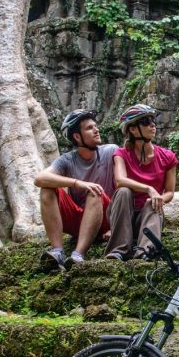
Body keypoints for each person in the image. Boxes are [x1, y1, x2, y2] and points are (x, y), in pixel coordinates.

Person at [33, 109, 117, 270]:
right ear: (77, 137)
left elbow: (125, 186)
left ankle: (78, 255)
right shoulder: (67, 160)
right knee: (47, 189)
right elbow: (40, 178)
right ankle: (57, 251)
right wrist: (77, 183)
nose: (96, 130)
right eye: (90, 128)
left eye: (95, 126)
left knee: (94, 192)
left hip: (107, 217)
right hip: (81, 220)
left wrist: (117, 228)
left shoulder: (111, 151)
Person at [104, 104, 178, 260]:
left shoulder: (168, 156)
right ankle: (118, 250)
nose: (153, 125)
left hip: (148, 215)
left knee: (153, 202)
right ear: (133, 129)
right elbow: (120, 181)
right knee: (124, 191)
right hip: (123, 214)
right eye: (145, 121)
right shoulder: (121, 153)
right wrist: (148, 188)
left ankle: (146, 252)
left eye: (153, 121)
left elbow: (170, 192)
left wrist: (157, 198)